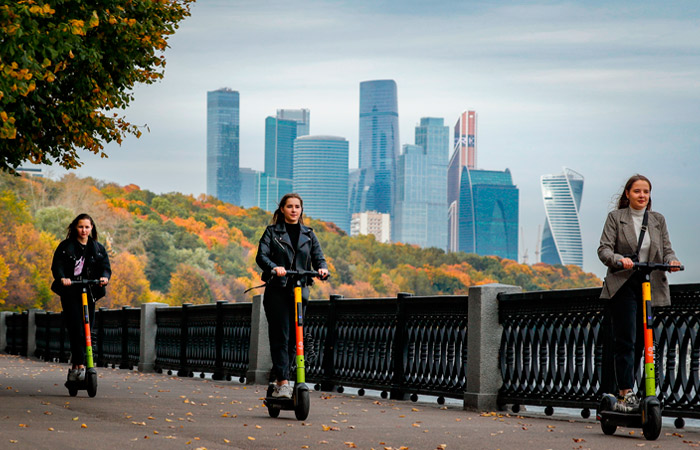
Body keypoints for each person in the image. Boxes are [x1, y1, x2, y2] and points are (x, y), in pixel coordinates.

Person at [598, 174, 681, 412]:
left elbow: (666, 249)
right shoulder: (616, 218)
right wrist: (618, 259)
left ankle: (641, 391)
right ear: (627, 194)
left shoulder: (657, 220)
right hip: (623, 284)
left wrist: (671, 260)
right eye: (637, 191)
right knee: (626, 338)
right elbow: (603, 249)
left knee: (643, 342)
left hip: (649, 284)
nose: (642, 195)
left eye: (646, 192)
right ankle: (625, 392)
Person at [255, 193, 328, 399]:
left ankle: (283, 376)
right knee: (281, 335)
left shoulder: (309, 234)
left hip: (300, 291)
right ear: (282, 210)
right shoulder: (272, 232)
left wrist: (322, 268)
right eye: (290, 206)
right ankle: (283, 382)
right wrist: (274, 267)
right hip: (278, 290)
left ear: (301, 210)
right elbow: (261, 256)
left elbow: (318, 257)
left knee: (295, 339)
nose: (294, 210)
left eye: (297, 207)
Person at [51, 214, 111, 382]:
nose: (84, 230)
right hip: (71, 293)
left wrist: (104, 278)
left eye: (87, 227)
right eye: (80, 227)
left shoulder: (97, 248)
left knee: (87, 330)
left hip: (89, 293)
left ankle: (80, 364)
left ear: (92, 228)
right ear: (74, 228)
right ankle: (79, 364)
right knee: (76, 327)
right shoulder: (66, 247)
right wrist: (63, 278)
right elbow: (57, 266)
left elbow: (105, 267)